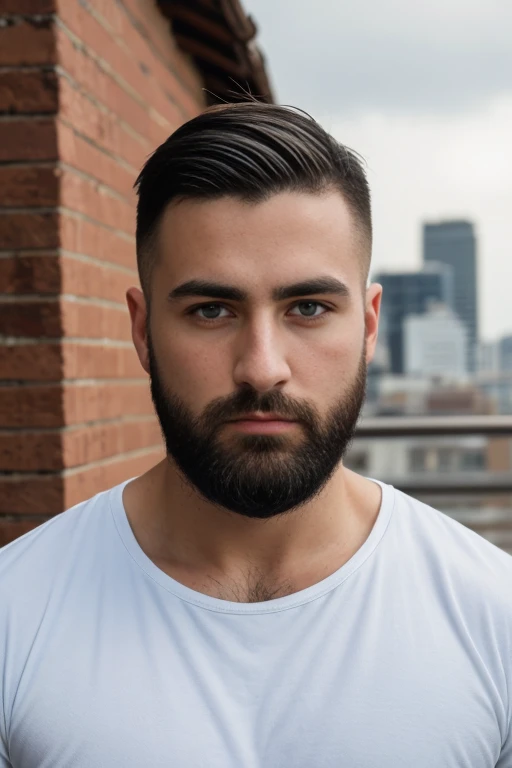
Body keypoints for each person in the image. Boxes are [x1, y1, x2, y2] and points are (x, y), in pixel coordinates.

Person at [1, 102, 511, 768]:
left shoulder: (493, 616)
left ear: (368, 325)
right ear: (142, 328)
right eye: (211, 309)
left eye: (307, 308)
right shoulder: (15, 615)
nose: (262, 366)